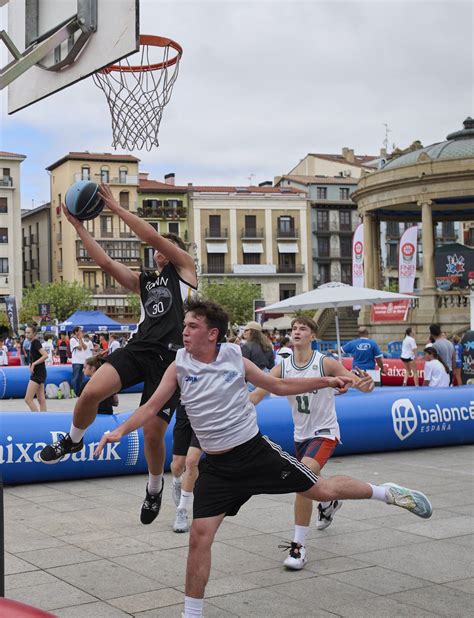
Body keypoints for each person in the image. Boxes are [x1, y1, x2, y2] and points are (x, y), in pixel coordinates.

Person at [94, 298, 433, 618]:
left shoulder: (233, 358)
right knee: (199, 537)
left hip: (254, 453)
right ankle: (191, 614)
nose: (184, 331)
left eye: (193, 325)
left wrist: (329, 379)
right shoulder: (178, 366)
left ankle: (385, 492)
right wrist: (120, 431)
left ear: (212, 333)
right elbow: (152, 407)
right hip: (218, 469)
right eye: (185, 324)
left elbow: (278, 386)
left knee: (322, 492)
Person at [39, 183, 197, 527]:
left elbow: (151, 236)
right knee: (92, 391)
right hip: (140, 348)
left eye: (163, 248)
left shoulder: (186, 271)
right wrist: (79, 227)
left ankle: (154, 488)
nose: (157, 252)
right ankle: (73, 440)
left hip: (171, 361)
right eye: (154, 251)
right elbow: (107, 263)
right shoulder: (147, 282)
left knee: (153, 434)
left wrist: (114, 207)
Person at [250, 316, 373, 570]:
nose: (296, 331)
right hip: (301, 435)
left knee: (300, 479)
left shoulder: (324, 362)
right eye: (294, 328)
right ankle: (328, 501)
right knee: (313, 481)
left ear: (313, 336)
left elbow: (355, 382)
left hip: (324, 432)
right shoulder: (282, 367)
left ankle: (298, 548)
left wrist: (365, 385)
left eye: (302, 328)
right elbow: (257, 395)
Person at [170, 404, 202, 533]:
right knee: (177, 466)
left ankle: (181, 510)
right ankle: (177, 482)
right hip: (185, 410)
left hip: (207, 414)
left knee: (191, 461)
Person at [24, 325, 48, 412]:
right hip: (40, 372)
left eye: (29, 333)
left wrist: (34, 364)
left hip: (38, 373)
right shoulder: (33, 343)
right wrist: (31, 363)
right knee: (41, 399)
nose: (26, 334)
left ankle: (37, 417)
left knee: (28, 399)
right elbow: (35, 356)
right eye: (26, 332)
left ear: (34, 333)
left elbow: (45, 355)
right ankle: (43, 418)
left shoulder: (35, 342)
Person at [69, 327, 88, 396]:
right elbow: (79, 348)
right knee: (75, 378)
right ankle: (73, 392)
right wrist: (80, 339)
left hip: (82, 361)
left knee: (81, 378)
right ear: (76, 332)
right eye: (80, 331)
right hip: (76, 361)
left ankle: (79, 393)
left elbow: (85, 347)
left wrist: (81, 339)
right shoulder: (72, 340)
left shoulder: (81, 339)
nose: (81, 332)